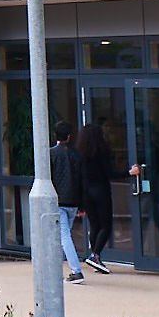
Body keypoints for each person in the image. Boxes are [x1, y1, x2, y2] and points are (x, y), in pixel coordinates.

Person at [74, 119, 119, 275]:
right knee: (106, 225)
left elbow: (78, 178)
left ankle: (95, 258)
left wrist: (80, 202)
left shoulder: (79, 154)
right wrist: (129, 172)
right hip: (101, 191)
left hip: (87, 193)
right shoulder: (102, 152)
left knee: (95, 225)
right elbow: (110, 173)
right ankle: (95, 255)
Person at [49, 118, 87, 284]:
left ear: (55, 135)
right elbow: (82, 180)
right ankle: (56, 269)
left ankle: (76, 271)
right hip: (73, 201)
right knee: (64, 236)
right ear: (69, 136)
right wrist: (82, 204)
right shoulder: (76, 155)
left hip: (58, 201)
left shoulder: (51, 154)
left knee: (64, 237)